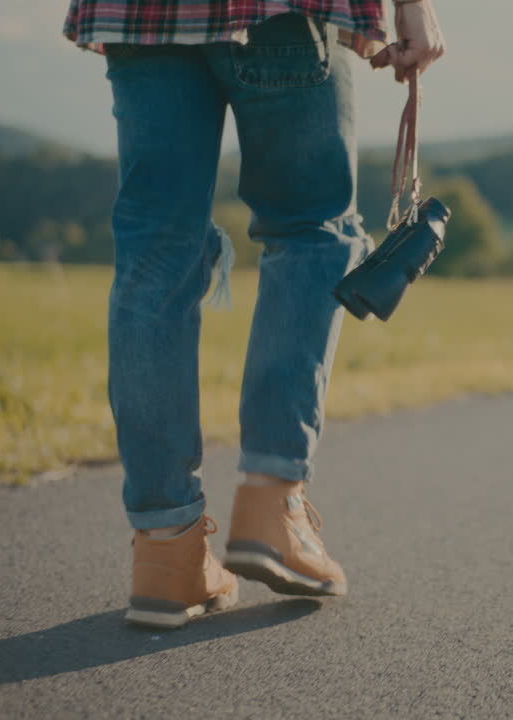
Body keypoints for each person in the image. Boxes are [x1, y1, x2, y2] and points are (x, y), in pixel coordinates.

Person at [62, 0, 446, 629]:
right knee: (311, 229)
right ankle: (272, 506)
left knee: (154, 255)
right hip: (279, 13)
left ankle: (166, 551)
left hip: (138, 15)